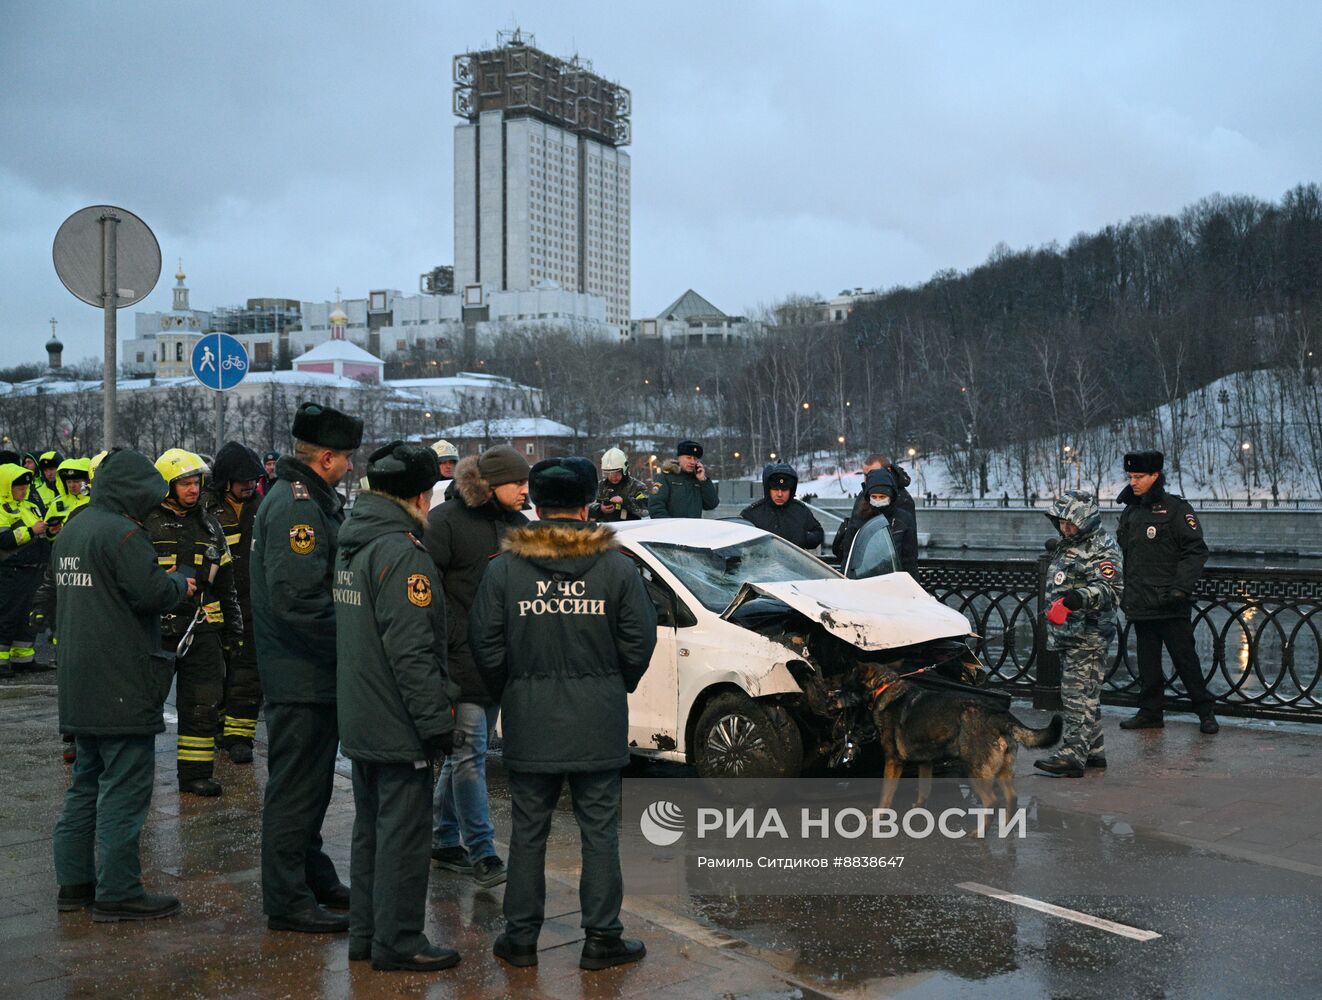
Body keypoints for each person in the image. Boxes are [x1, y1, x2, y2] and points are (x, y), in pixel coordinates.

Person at [470, 456, 657, 971]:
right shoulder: (617, 568)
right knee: (599, 830)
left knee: (529, 830)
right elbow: (639, 641)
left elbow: (484, 645)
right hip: (597, 718)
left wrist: (511, 690)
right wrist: (614, 684)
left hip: (531, 718)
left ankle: (521, 938)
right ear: (586, 504)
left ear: (535, 503)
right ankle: (602, 940)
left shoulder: (505, 569)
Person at [52, 449, 195, 921]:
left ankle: (74, 884)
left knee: (84, 784)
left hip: (79, 681)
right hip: (121, 681)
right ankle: (118, 892)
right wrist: (180, 583)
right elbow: (151, 593)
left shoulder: (72, 530)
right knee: (124, 789)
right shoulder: (124, 534)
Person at [336, 442, 460, 972]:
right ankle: (400, 941)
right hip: (398, 723)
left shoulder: (353, 542)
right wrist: (436, 724)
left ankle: (367, 936)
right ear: (419, 495)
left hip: (362, 717)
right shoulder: (403, 552)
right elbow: (412, 652)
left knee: (370, 836)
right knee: (405, 842)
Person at [251, 402, 362, 933]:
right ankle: (287, 901)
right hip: (303, 674)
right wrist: (350, 649)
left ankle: (312, 877)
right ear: (324, 458)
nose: (348, 467)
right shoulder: (298, 507)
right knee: (296, 789)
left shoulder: (310, 500)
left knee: (312, 785)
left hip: (310, 673)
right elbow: (300, 601)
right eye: (344, 458)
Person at [424, 444, 530, 888]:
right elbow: (427, 587)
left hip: (498, 663)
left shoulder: (520, 526)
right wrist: (451, 642)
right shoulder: (447, 521)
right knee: (470, 757)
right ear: (492, 484)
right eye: (518, 483)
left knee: (463, 755)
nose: (526, 491)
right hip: (460, 663)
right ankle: (483, 851)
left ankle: (444, 839)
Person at [145, 449, 242, 797]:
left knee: (202, 705)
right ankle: (136, 775)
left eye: (196, 482)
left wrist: (234, 629)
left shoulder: (211, 525)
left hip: (202, 629)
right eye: (184, 483)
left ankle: (196, 774)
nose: (192, 489)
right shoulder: (146, 522)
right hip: (158, 630)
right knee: (146, 704)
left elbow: (226, 583)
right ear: (167, 487)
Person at [1115, 450, 1218, 734]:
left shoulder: (1176, 509)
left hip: (1171, 601)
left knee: (1186, 660)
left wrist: (1180, 588)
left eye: (1139, 477)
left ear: (1155, 476)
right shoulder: (1131, 510)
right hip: (1140, 601)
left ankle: (1205, 712)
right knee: (1148, 664)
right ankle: (1150, 712)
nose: (1133, 482)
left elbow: (1195, 550)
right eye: (1130, 476)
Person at [1034, 491, 1123, 777]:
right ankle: (1094, 751)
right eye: (1061, 522)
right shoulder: (1068, 544)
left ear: (1085, 520)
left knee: (1076, 695)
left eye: (1071, 523)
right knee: (1084, 695)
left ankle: (1073, 754)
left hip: (1089, 634)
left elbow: (1110, 590)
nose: (1065, 528)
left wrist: (1077, 598)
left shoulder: (1103, 548)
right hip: (1067, 632)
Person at [201, 442, 265, 764]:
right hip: (215, 602)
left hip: (252, 602)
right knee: (216, 670)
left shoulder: (262, 506)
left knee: (248, 671)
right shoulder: (205, 509)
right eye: (243, 480)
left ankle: (240, 736)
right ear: (225, 480)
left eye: (254, 480)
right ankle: (217, 726)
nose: (250, 486)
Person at [0, 462, 50, 671]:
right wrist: (32, 530)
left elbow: (43, 534)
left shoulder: (31, 506)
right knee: (8, 615)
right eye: (19, 487)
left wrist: (52, 530)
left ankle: (23, 659)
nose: (24, 490)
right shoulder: (2, 509)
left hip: (34, 570)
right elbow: (3, 540)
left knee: (29, 617)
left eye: (26, 487)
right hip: (11, 571)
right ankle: (1, 661)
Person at [832, 468, 919, 575]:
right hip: (864, 577)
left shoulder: (904, 519)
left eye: (882, 497)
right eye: (874, 497)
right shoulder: (859, 518)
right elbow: (848, 556)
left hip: (894, 579)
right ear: (868, 497)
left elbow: (910, 560)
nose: (878, 500)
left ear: (891, 496)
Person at [739, 462, 824, 550]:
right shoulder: (752, 513)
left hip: (793, 562)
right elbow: (737, 538)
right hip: (762, 562)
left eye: (784, 489)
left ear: (791, 490)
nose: (780, 494)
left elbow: (818, 532)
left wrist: (803, 538)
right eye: (775, 489)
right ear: (768, 489)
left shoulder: (801, 511)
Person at [647, 439, 719, 519]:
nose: (692, 462)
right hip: (672, 529)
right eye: (688, 458)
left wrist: (703, 481)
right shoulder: (665, 477)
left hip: (694, 529)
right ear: (679, 458)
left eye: (695, 459)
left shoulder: (698, 480)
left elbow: (712, 504)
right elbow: (655, 506)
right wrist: (670, 526)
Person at [589, 447, 649, 522]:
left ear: (624, 470)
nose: (613, 477)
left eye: (616, 473)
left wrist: (625, 501)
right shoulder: (599, 487)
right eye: (608, 473)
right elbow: (586, 507)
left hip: (630, 529)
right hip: (603, 530)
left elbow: (646, 510)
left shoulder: (637, 487)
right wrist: (599, 508)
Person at [428, 439, 460, 508]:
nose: (448, 466)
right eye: (443, 462)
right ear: (434, 464)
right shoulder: (424, 489)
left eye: (451, 462)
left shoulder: (464, 487)